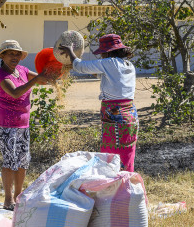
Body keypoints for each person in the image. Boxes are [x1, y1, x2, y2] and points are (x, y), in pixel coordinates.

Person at [59, 34, 138, 172]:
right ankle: (127, 185)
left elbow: (81, 66)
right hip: (131, 116)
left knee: (111, 156)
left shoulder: (110, 62)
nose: (101, 57)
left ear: (107, 52)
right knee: (127, 153)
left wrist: (70, 52)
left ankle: (111, 187)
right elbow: (103, 75)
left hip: (115, 117)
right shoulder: (128, 65)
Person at [0, 40, 52, 211]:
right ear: (2, 56)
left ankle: (19, 197)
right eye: (11, 53)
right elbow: (15, 93)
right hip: (7, 125)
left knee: (22, 161)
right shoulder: (0, 75)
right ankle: (7, 199)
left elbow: (43, 80)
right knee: (10, 161)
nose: (15, 57)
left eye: (17, 54)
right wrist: (36, 80)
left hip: (23, 124)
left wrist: (55, 68)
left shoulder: (22, 70)